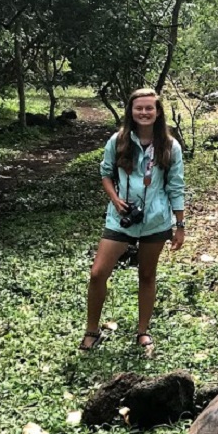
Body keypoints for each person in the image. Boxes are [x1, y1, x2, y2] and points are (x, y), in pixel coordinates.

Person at [80, 88, 185, 355]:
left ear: (158, 112)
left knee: (147, 275)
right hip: (121, 218)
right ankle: (92, 330)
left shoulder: (170, 146)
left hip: (156, 220)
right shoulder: (118, 140)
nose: (144, 112)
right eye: (139, 108)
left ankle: (143, 331)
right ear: (131, 111)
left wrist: (179, 225)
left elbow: (176, 186)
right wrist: (115, 200)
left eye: (150, 108)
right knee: (98, 273)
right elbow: (105, 173)